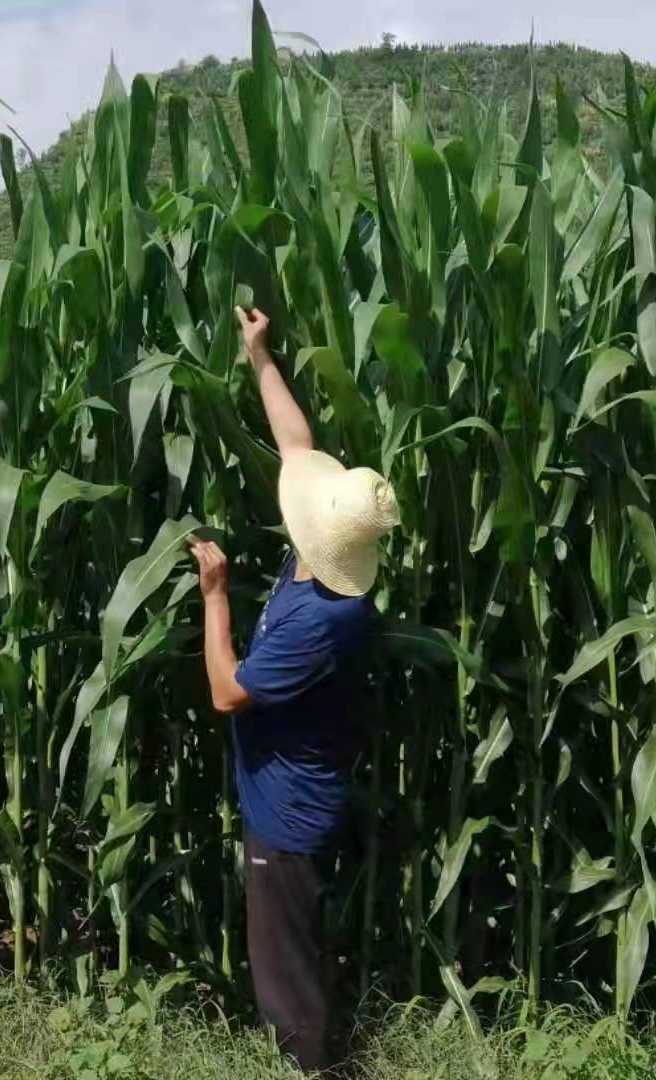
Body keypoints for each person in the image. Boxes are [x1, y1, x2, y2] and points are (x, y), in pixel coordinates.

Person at [186, 307, 400, 1074]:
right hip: (291, 798)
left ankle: (314, 1068)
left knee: (286, 976)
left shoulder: (322, 620)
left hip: (289, 813)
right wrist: (259, 356)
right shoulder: (327, 564)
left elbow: (227, 694)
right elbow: (297, 444)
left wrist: (215, 595)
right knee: (294, 949)